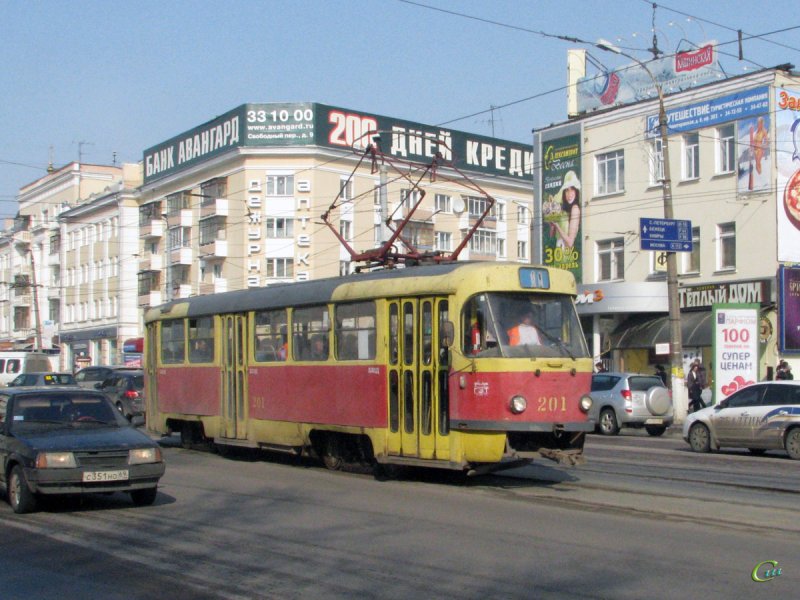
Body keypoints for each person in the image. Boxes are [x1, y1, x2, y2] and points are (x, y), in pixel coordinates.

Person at [551, 170, 581, 249]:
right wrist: (552, 222)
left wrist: (557, 225)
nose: (569, 194)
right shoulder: (563, 210)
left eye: (572, 189)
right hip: (558, 252)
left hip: (566, 253)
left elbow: (570, 243)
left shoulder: (575, 209)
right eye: (567, 190)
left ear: (576, 191)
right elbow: (552, 235)